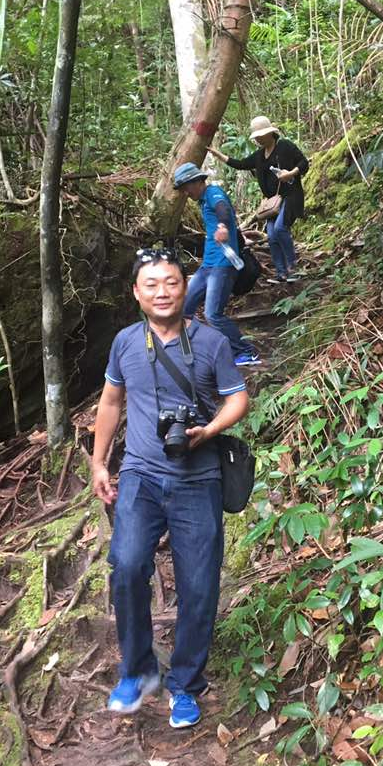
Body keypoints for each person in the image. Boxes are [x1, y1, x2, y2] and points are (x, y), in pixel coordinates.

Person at [91, 247, 249, 729]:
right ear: (137, 293)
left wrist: (208, 430)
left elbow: (237, 398)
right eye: (152, 284)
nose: (163, 292)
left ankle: (185, 682)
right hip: (140, 474)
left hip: (198, 479)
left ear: (186, 287)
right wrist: (99, 463)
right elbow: (112, 402)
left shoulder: (210, 342)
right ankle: (138, 671)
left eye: (172, 282)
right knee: (127, 567)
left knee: (199, 585)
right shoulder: (123, 343)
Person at [174, 161, 261, 368]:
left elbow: (223, 209)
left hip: (223, 265)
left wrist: (222, 226)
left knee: (212, 314)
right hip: (208, 265)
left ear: (196, 181)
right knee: (184, 309)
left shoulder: (213, 193)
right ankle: (194, 349)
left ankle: (246, 352)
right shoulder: (203, 201)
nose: (186, 192)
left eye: (186, 186)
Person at [208, 115, 310, 285]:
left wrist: (290, 173)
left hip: (290, 196)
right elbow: (240, 164)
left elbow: (303, 162)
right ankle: (281, 272)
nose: (259, 139)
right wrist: (217, 154)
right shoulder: (259, 155)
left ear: (270, 133)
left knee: (280, 228)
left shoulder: (284, 146)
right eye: (257, 136)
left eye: (261, 135)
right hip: (273, 202)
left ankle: (294, 267)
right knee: (271, 235)